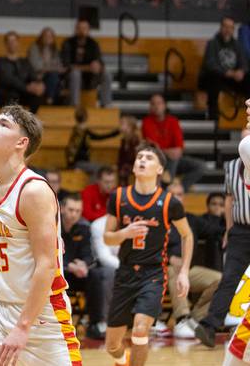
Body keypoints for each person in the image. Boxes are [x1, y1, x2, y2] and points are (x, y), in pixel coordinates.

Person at [0, 105, 82, 365]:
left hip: (41, 315)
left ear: (21, 143)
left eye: (4, 124)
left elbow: (46, 265)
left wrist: (22, 326)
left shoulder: (33, 191)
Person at [102, 143, 193, 366]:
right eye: (139, 157)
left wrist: (183, 272)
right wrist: (124, 233)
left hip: (152, 274)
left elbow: (187, 235)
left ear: (160, 169)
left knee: (141, 330)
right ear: (134, 167)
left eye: (149, 158)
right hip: (125, 273)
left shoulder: (170, 202)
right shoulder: (118, 196)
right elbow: (107, 238)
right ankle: (123, 360)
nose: (142, 160)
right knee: (112, 345)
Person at [197, 125, 250, 348]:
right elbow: (229, 200)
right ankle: (209, 325)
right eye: (244, 137)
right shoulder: (231, 167)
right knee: (229, 278)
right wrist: (228, 229)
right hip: (240, 230)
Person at [164, 181, 222, 339]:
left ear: (184, 198)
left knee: (220, 281)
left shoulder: (191, 219)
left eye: (179, 194)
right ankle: (182, 319)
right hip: (162, 271)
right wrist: (169, 257)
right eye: (172, 195)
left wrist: (225, 224)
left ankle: (194, 318)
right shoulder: (157, 219)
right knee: (176, 270)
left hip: (188, 270)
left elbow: (216, 230)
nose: (176, 198)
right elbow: (147, 248)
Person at [60, 193, 108, 339]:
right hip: (58, 272)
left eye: (78, 211)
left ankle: (95, 323)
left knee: (96, 275)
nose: (74, 214)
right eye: (71, 210)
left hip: (76, 274)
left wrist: (84, 264)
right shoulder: (52, 225)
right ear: (62, 208)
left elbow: (88, 255)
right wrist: (68, 266)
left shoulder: (84, 227)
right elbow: (48, 253)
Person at [142, 93, 205, 191]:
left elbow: (179, 147)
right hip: (157, 161)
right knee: (171, 157)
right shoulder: (147, 122)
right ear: (150, 107)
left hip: (174, 160)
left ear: (164, 105)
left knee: (200, 166)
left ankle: (179, 188)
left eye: (159, 103)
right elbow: (153, 148)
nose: (156, 106)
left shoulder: (173, 121)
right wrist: (168, 152)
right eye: (153, 104)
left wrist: (170, 151)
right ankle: (168, 188)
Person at [198, 17, 250, 120]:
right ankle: (213, 114)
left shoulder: (237, 45)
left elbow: (244, 64)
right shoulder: (212, 43)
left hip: (231, 79)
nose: (228, 30)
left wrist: (241, 72)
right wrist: (227, 73)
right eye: (226, 26)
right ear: (221, 28)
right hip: (215, 78)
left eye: (231, 27)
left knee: (248, 78)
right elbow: (210, 65)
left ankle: (247, 112)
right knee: (213, 77)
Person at [61, 18, 113, 107]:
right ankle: (75, 105)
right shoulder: (68, 43)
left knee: (106, 74)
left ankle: (106, 104)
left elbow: (99, 61)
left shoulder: (93, 43)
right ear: (76, 29)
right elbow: (67, 65)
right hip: (72, 80)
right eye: (80, 28)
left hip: (90, 79)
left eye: (84, 28)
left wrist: (99, 66)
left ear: (88, 30)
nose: (82, 31)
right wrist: (88, 68)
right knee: (75, 73)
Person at [0, 31, 46, 113]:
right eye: (9, 41)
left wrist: (39, 84)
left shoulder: (24, 62)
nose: (12, 43)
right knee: (11, 95)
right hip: (7, 94)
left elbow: (33, 76)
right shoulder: (1, 61)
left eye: (14, 41)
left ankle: (29, 119)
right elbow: (9, 80)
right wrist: (26, 87)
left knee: (37, 96)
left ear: (18, 43)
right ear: (6, 44)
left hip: (23, 94)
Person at [65, 106, 119, 173]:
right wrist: (116, 133)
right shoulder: (82, 132)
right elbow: (100, 137)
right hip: (79, 163)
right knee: (101, 168)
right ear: (86, 118)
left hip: (79, 163)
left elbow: (70, 150)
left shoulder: (77, 131)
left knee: (100, 167)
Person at [27, 27, 63, 104]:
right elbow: (36, 66)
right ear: (41, 37)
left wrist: (49, 69)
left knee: (55, 77)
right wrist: (51, 68)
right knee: (54, 76)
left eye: (50, 36)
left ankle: (51, 99)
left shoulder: (55, 50)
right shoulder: (34, 48)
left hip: (50, 76)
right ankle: (50, 99)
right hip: (37, 75)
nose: (48, 38)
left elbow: (58, 65)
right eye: (46, 36)